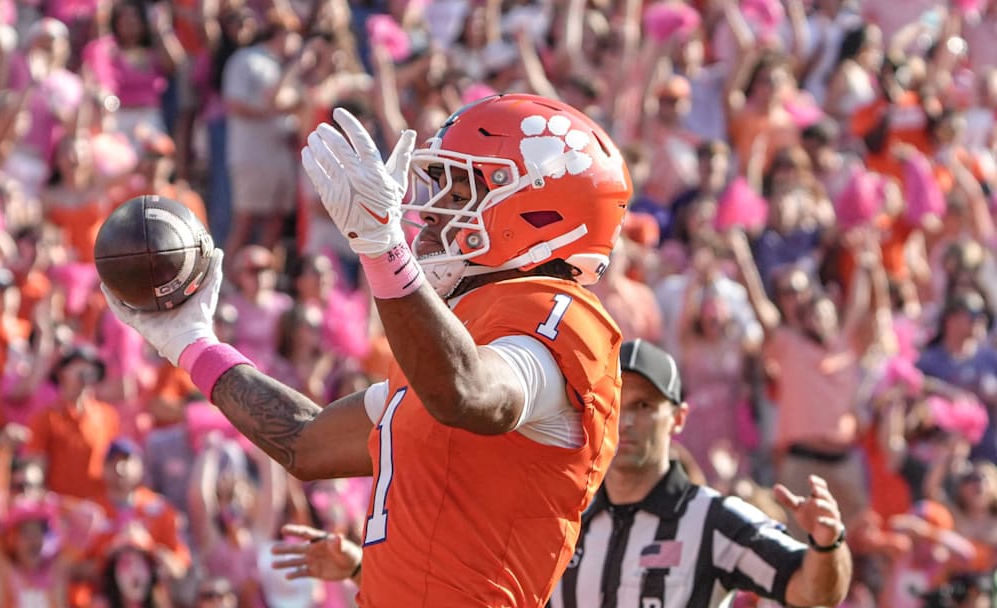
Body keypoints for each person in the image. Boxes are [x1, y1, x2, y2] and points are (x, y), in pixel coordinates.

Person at [103, 93, 633, 606]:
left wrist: (383, 250)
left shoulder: (565, 317)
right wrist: (192, 343)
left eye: (457, 193)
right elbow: (305, 442)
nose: (428, 211)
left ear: (536, 210)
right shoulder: (453, 335)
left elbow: (470, 393)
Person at [268, 340, 854, 608]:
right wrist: (359, 566)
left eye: (647, 406)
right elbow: (472, 589)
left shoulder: (712, 519)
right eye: (620, 402)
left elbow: (811, 590)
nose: (628, 421)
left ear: (679, 419)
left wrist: (829, 544)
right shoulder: (550, 507)